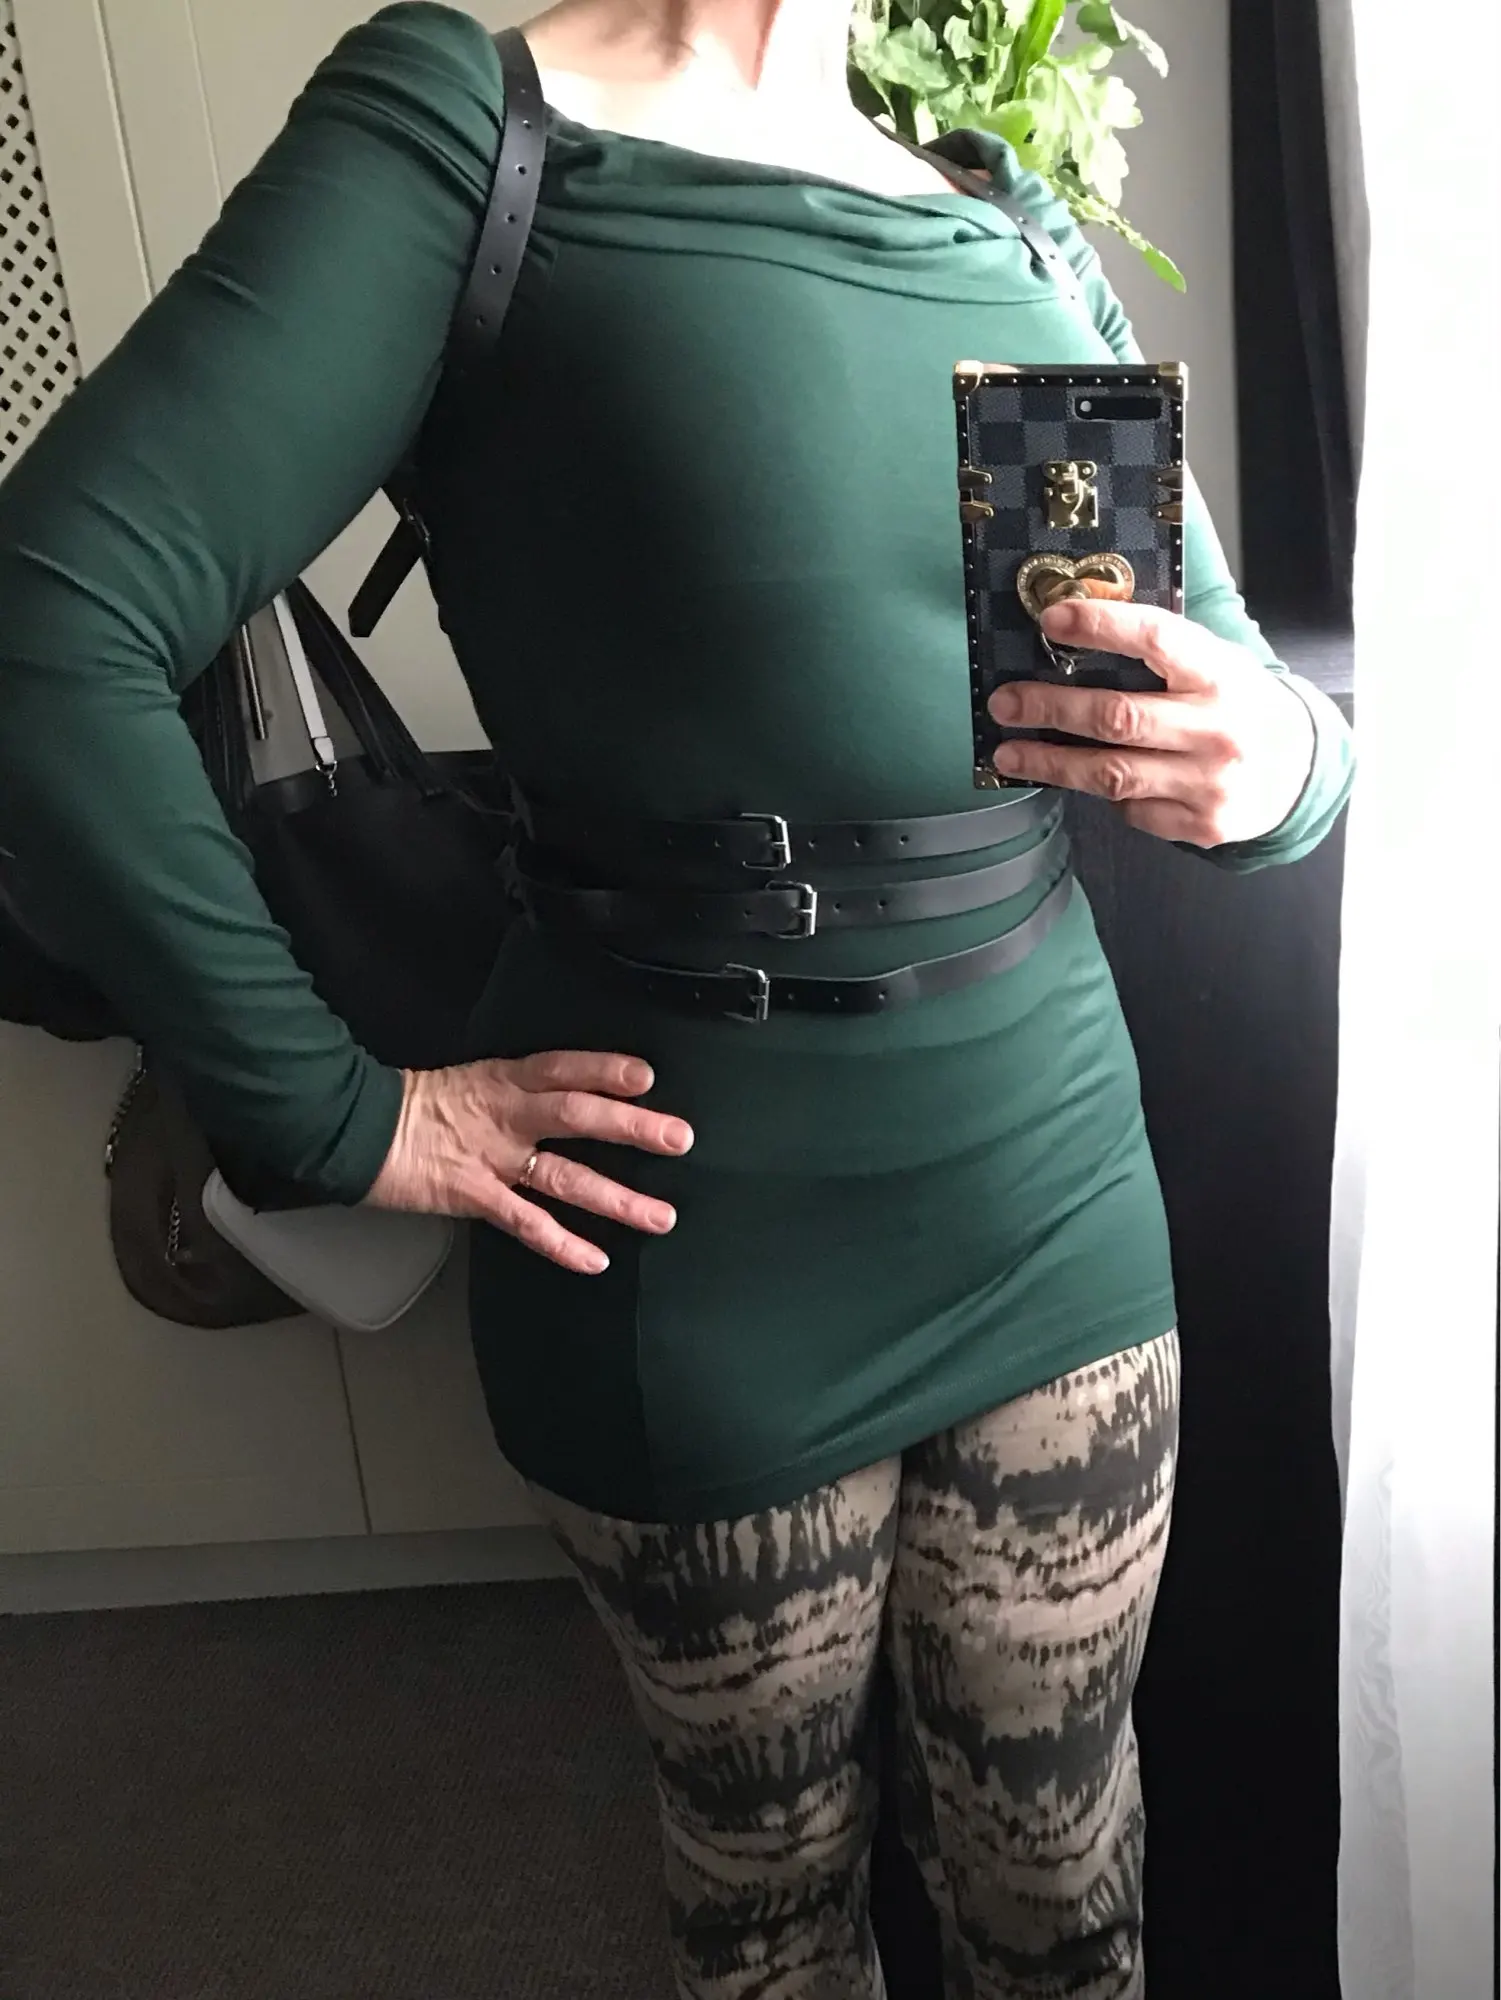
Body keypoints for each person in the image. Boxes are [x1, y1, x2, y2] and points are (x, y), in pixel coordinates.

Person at [0, 2, 1354, 1993]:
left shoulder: (1008, 219)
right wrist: (328, 1112)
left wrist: (1289, 760)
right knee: (772, 1902)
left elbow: (1226, 691)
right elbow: (55, 618)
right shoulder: (477, 137)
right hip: (689, 1236)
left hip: (1056, 1201)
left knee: (1068, 1883)